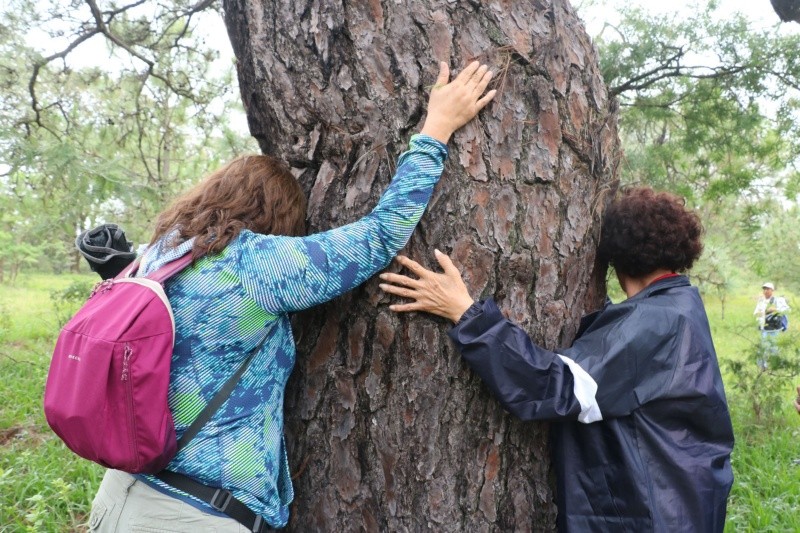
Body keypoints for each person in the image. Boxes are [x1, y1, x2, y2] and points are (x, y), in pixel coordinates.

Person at [86, 61, 496, 532]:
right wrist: (437, 129)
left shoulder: (164, 255)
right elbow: (380, 236)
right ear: (278, 218)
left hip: (118, 497)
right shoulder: (252, 265)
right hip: (189, 516)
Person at [379, 187, 734, 532]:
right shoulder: (680, 306)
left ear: (615, 257)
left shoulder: (655, 322)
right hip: (681, 508)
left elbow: (551, 387)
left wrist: (467, 314)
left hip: (657, 513)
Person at [753, 282, 790, 369]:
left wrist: (775, 309)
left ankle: (775, 364)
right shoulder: (761, 301)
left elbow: (787, 310)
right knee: (763, 346)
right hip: (764, 328)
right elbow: (756, 313)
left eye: (768, 289)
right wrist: (765, 312)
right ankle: (762, 365)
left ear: (772, 290)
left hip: (774, 328)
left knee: (774, 347)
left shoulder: (778, 300)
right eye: (764, 289)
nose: (765, 291)